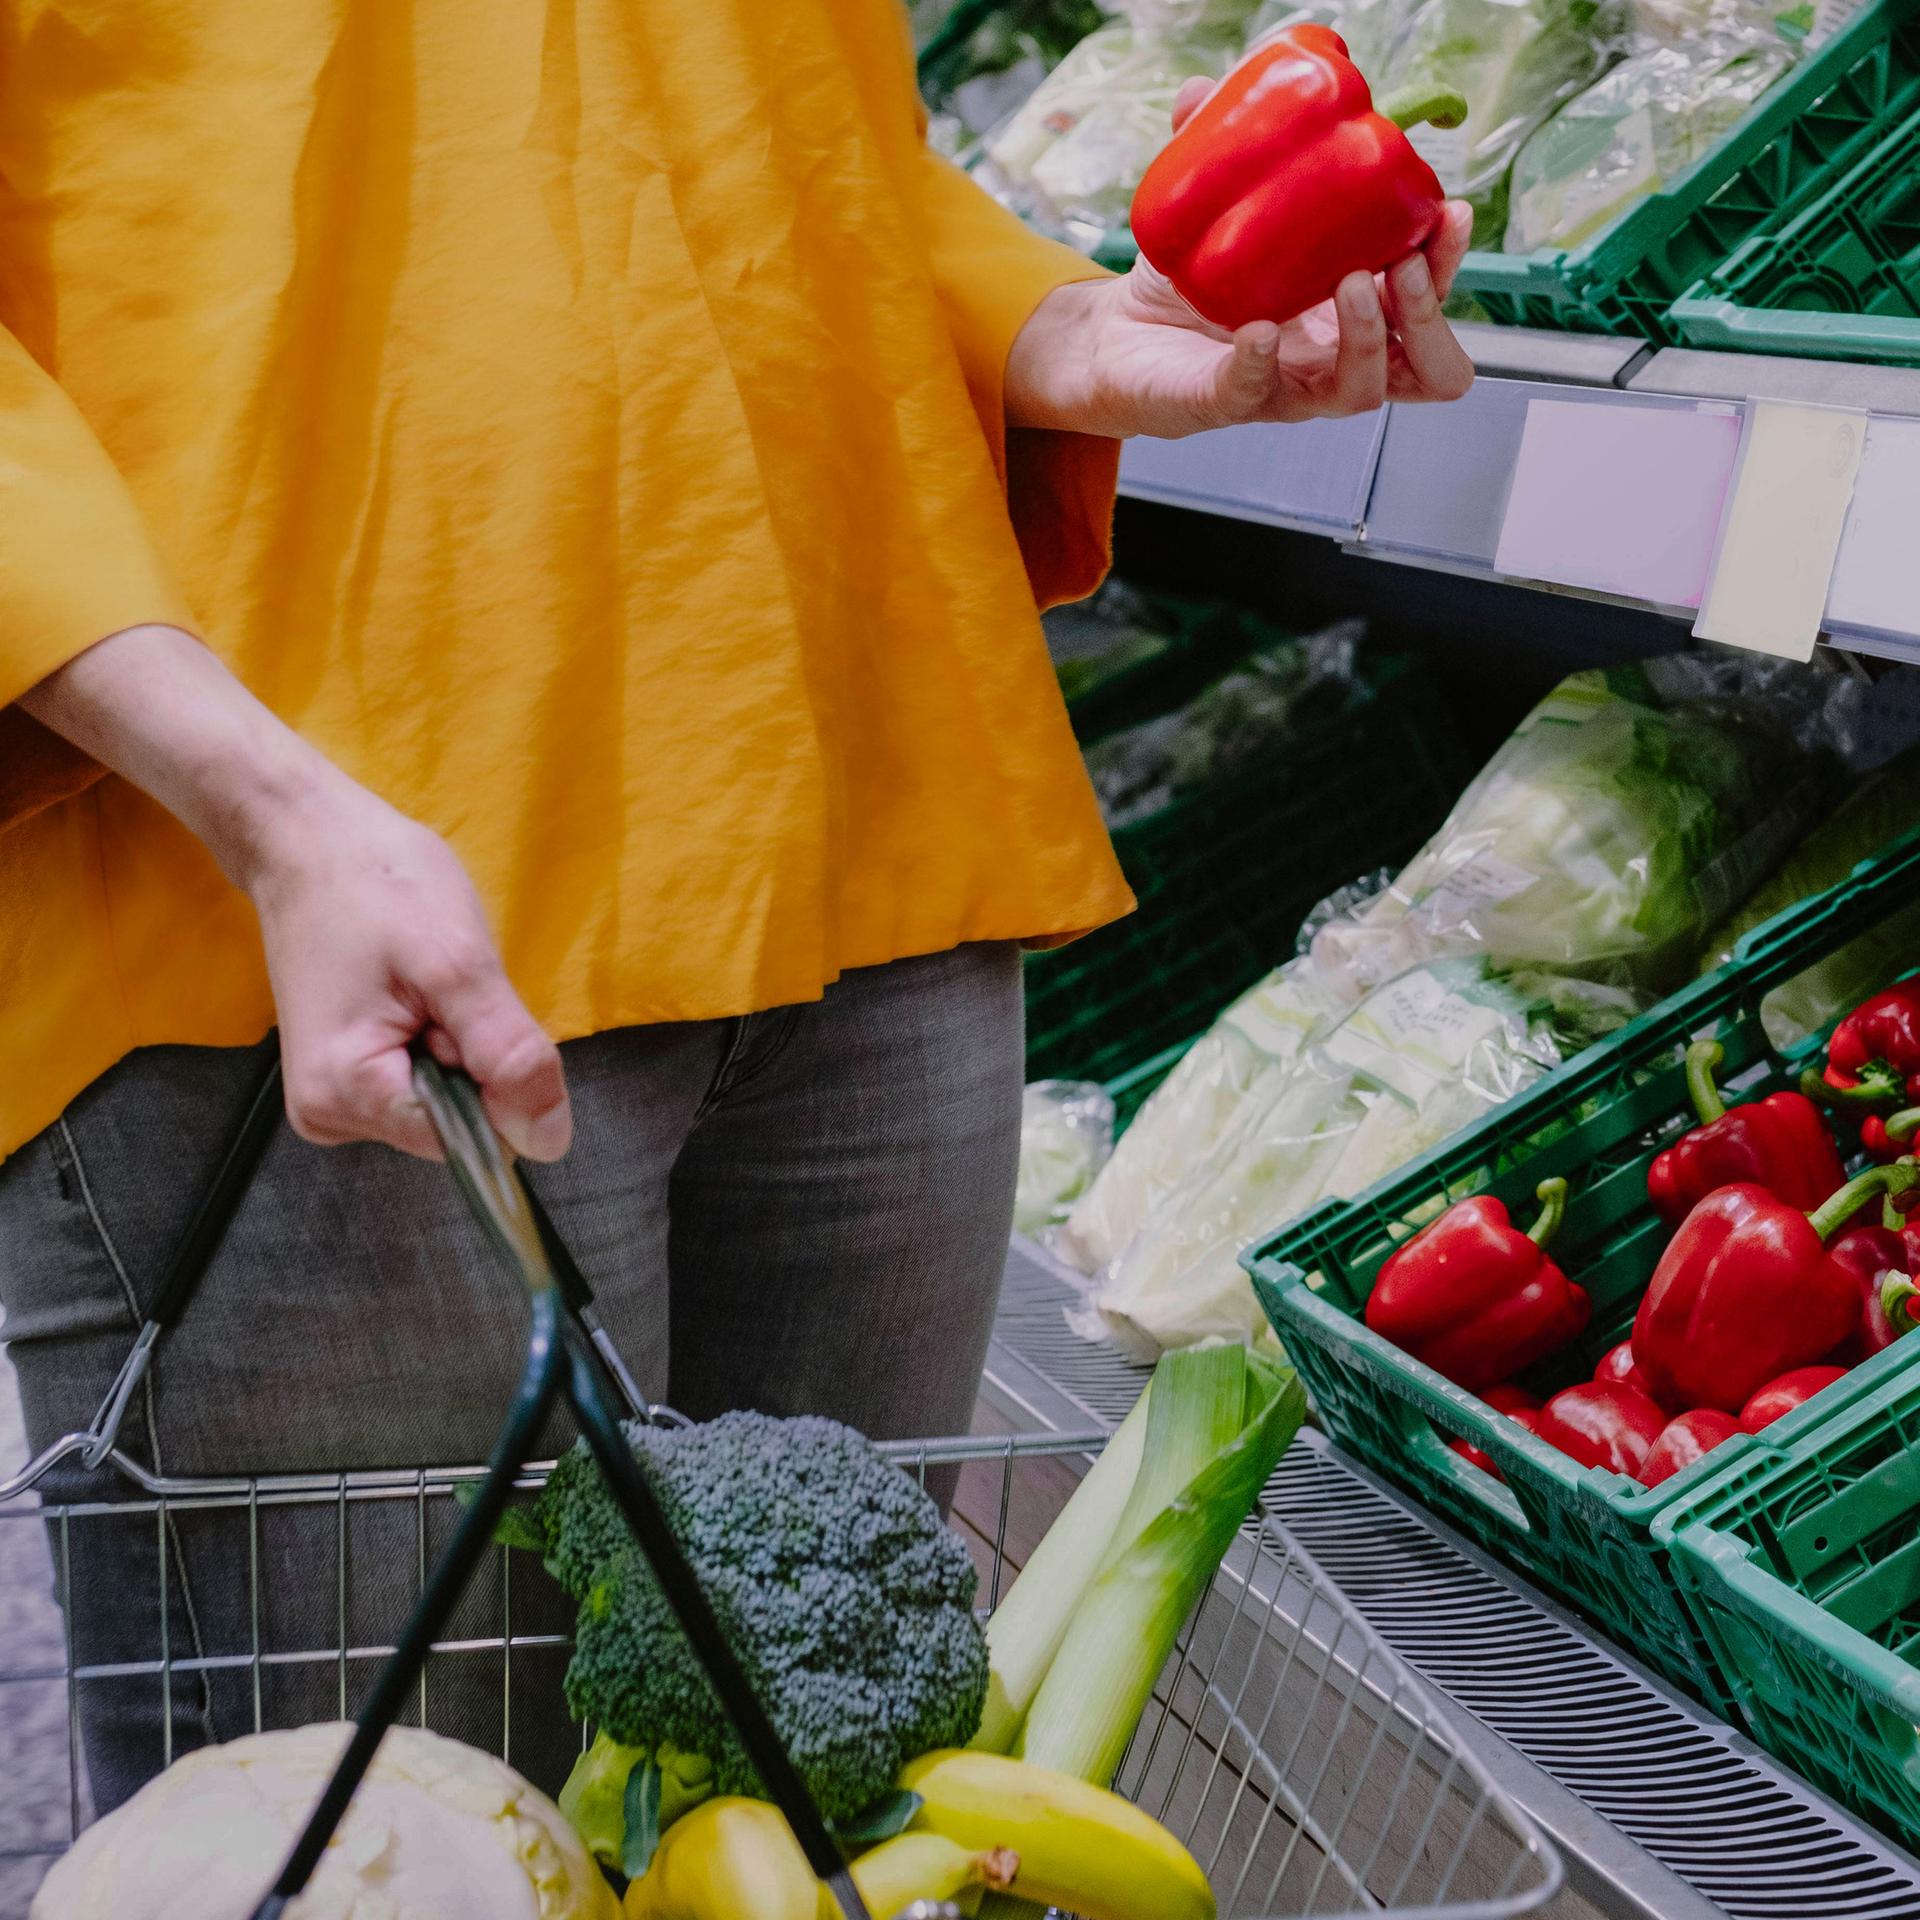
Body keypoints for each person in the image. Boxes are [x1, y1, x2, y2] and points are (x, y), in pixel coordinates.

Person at [0, 3, 1474, 1814]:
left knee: (800, 1815)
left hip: (861, 842)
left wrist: (1045, 323)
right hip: (309, 920)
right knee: (397, 1850)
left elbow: (754, 117)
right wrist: (269, 803)